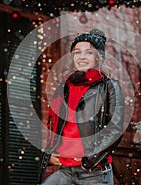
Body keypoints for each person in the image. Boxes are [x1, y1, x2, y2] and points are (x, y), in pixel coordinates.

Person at [39, 29, 125, 185]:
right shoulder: (64, 87)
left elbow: (115, 129)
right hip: (65, 170)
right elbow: (56, 124)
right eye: (77, 52)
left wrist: (90, 158)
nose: (82, 57)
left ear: (98, 58)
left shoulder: (109, 87)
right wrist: (52, 150)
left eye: (89, 53)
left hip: (94, 173)